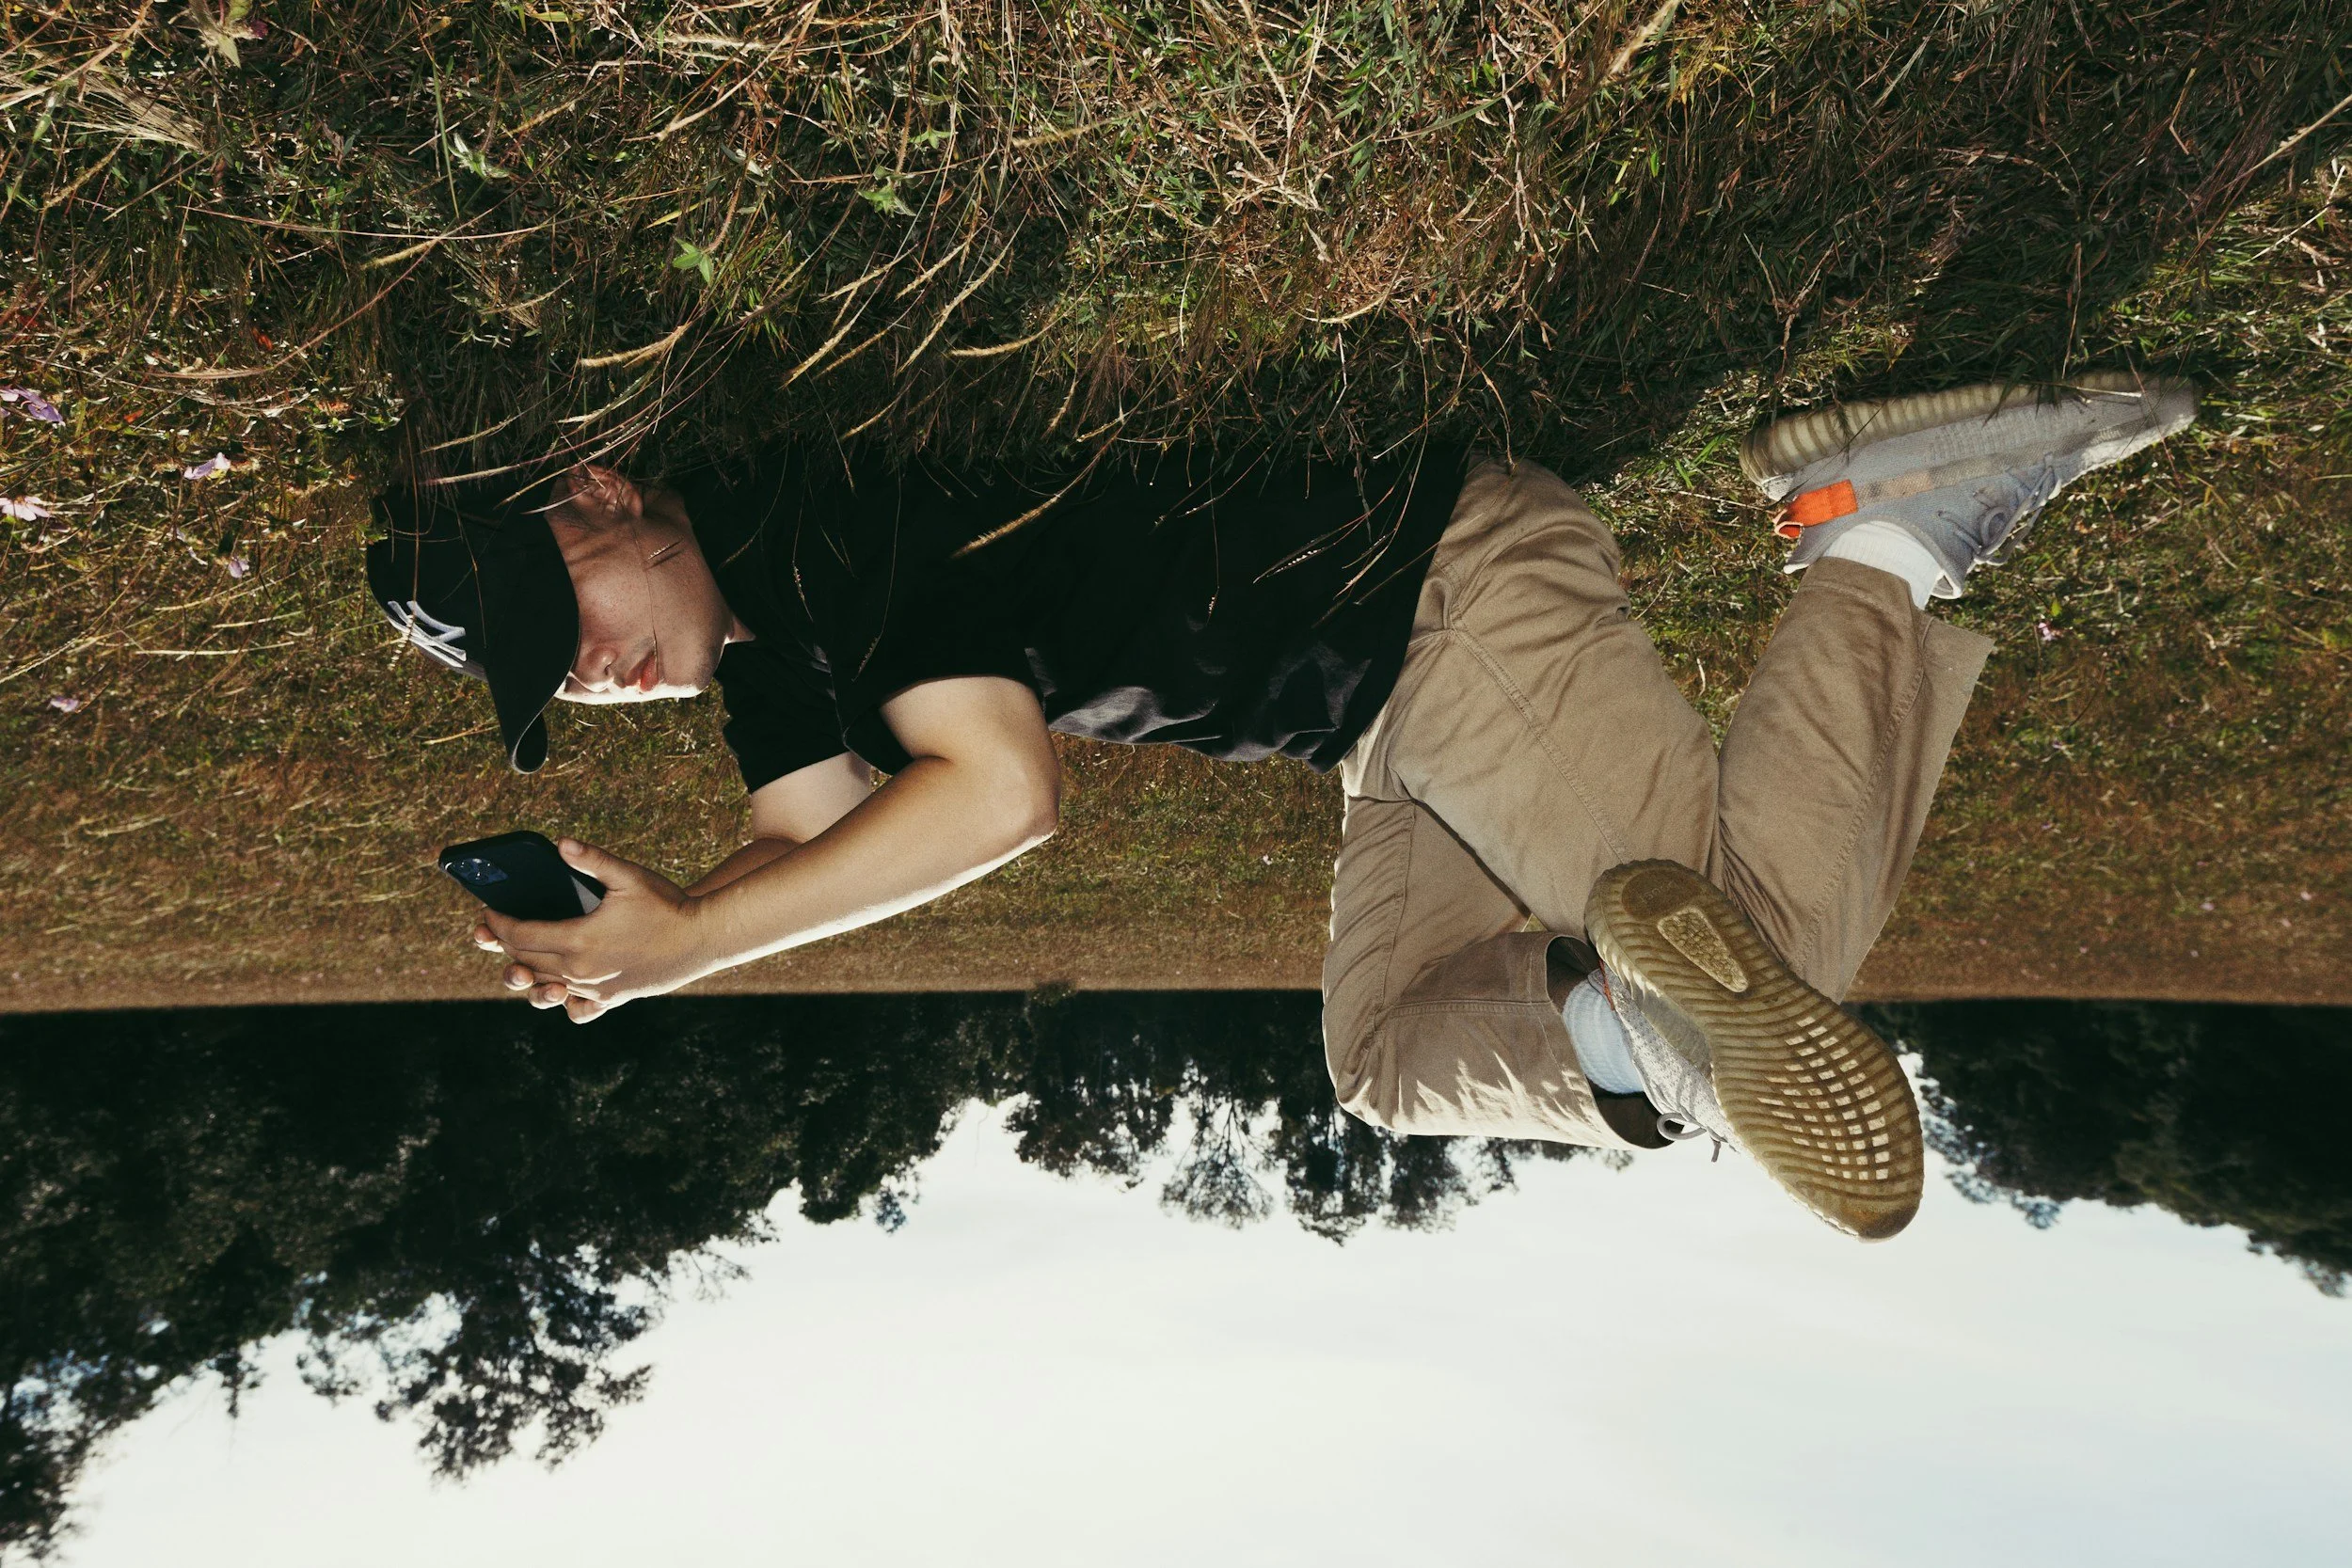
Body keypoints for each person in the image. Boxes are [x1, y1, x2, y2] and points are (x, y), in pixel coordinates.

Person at [367, 373, 2194, 1238]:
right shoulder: (766, 631)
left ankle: (1881, 526)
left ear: (606, 493)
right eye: (553, 671)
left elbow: (995, 799)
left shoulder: (820, 534)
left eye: (570, 615)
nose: (596, 671)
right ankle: (1644, 1024)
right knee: (1390, 1056)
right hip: (1378, 733)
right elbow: (817, 834)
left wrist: (688, 937)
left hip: (1433, 596)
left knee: (1767, 938)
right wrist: (669, 924)